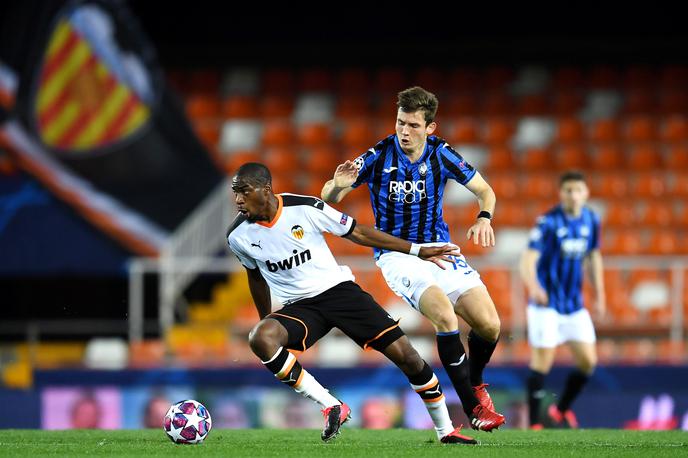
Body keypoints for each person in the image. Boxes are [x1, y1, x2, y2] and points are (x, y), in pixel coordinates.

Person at [227, 162, 487, 444]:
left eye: (244, 191)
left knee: (408, 357)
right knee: (260, 338)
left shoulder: (304, 208)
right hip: (300, 308)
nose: (238, 199)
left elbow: (358, 232)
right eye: (235, 193)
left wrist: (418, 250)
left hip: (339, 292)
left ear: (265, 190)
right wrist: (266, 317)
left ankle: (445, 430)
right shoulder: (238, 236)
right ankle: (331, 405)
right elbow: (255, 276)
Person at [321, 86, 505, 430]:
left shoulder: (442, 154)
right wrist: (336, 184)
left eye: (413, 125)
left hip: (439, 248)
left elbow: (485, 191)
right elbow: (329, 195)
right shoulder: (378, 155)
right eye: (400, 123)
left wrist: (484, 218)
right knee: (446, 317)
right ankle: (474, 410)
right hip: (398, 254)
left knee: (490, 325)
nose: (404, 131)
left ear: (430, 127)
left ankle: (476, 385)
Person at [519, 170, 606, 429]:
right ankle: (534, 423)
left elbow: (593, 257)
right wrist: (534, 286)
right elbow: (527, 259)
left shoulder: (591, 219)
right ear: (561, 193)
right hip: (546, 306)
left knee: (588, 362)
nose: (574, 195)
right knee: (542, 363)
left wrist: (600, 295)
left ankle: (560, 410)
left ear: (586, 193)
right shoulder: (548, 222)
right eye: (568, 190)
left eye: (578, 190)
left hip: (574, 306)